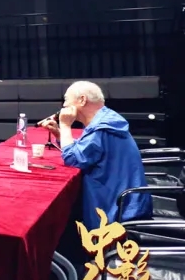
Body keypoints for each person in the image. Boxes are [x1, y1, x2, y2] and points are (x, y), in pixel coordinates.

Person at [39, 81, 153, 230]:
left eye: (66, 100)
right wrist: (59, 134)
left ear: (82, 100)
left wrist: (65, 126)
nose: (64, 105)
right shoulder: (105, 119)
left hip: (117, 212)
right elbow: (84, 151)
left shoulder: (101, 129)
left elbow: (72, 159)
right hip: (125, 199)